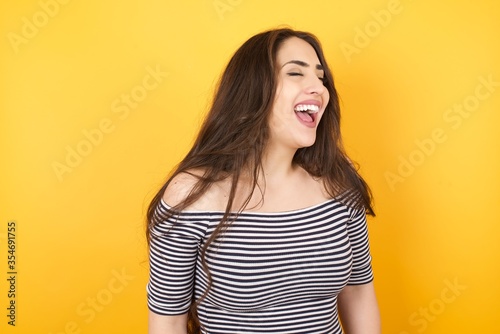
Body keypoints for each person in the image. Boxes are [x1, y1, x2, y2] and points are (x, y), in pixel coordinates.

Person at [146, 28, 380, 334]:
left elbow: (359, 292)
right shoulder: (190, 196)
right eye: (296, 73)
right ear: (252, 91)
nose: (319, 88)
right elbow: (169, 320)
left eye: (321, 78)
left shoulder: (339, 182)